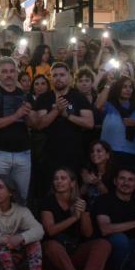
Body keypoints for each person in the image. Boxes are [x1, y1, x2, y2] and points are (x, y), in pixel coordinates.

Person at [40, 167, 110, 270]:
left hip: (74, 251)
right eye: (56, 178)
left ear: (72, 183)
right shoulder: (48, 201)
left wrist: (83, 213)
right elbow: (50, 230)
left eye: (63, 178)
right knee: (52, 245)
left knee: (103, 244)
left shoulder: (81, 202)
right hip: (54, 255)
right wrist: (73, 218)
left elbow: (88, 234)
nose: (59, 181)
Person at [0, 57, 38, 204]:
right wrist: (16, 115)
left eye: (12, 71)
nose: (9, 75)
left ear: (17, 73)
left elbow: (34, 124)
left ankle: (17, 227)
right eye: (4, 71)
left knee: (21, 197)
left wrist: (29, 114)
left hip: (23, 153)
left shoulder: (26, 95)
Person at [35, 62, 95, 191]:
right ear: (50, 78)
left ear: (69, 77)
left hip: (74, 154)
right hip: (49, 154)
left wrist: (67, 115)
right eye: (55, 75)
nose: (58, 78)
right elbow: (40, 125)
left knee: (73, 193)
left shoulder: (79, 97)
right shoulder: (44, 98)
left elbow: (89, 123)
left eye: (62, 75)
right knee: (49, 193)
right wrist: (56, 110)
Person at [95, 75, 135, 177]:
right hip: (112, 153)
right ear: (117, 88)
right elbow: (98, 105)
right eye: (124, 86)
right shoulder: (109, 105)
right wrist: (109, 84)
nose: (128, 89)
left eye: (130, 87)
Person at [80, 140, 114, 205]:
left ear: (107, 155)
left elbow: (112, 198)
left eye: (99, 151)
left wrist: (98, 184)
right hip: (87, 207)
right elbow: (79, 194)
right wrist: (86, 183)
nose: (94, 154)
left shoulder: (114, 173)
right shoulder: (86, 170)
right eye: (92, 151)